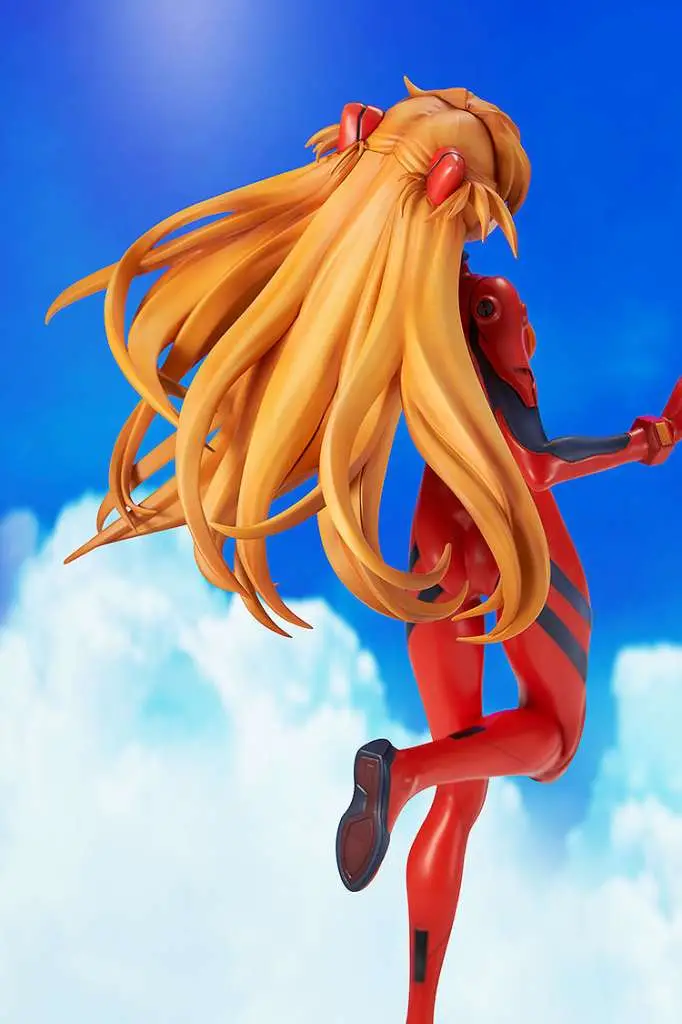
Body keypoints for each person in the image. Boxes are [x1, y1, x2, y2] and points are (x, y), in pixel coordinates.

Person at [47, 77, 682, 1024]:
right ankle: (407, 771)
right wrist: (638, 443)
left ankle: (419, 1008)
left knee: (468, 789)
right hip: (513, 538)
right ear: (467, 191)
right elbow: (534, 462)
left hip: (435, 550)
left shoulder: (397, 306)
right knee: (552, 739)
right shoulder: (488, 307)